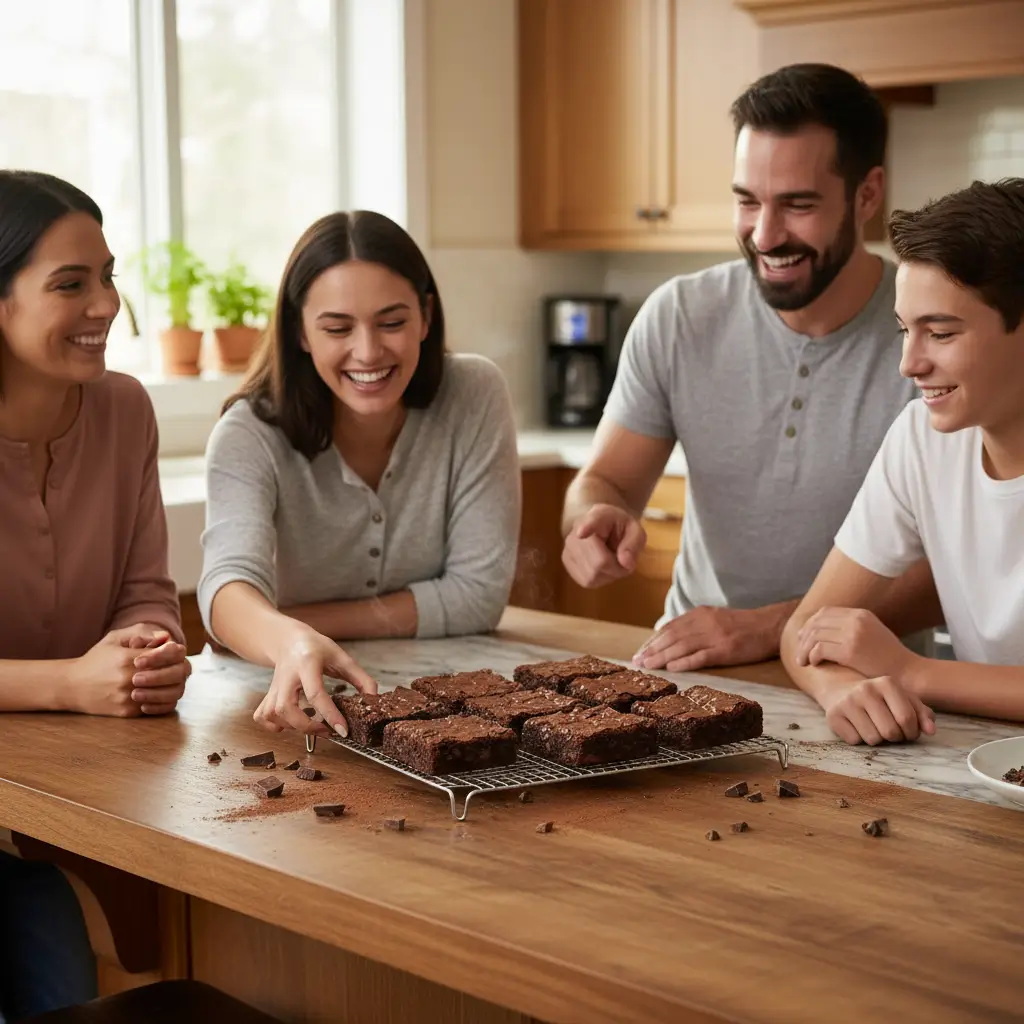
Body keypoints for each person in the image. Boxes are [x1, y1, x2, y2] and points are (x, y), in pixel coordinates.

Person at [561, 62, 939, 674]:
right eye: (747, 201)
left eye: (798, 204)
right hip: (695, 665)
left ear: (868, 194)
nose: (765, 235)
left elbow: (951, 569)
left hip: (868, 681)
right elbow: (606, 482)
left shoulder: (933, 335)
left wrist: (769, 627)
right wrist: (592, 519)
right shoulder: (679, 316)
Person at [199, 210, 521, 739]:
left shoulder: (475, 393)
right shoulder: (248, 432)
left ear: (425, 316)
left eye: (392, 322)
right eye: (337, 328)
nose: (368, 351)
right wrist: (290, 641)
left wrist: (303, 621)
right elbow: (226, 591)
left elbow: (477, 596)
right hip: (286, 707)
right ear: (300, 332)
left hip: (453, 702)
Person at [0, 170, 189, 1019]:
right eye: (69, 284)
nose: (106, 304)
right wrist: (73, 684)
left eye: (107, 276)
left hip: (48, 824)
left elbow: (147, 591)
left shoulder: (124, 412)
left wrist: (146, 651)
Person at [781, 178, 1024, 745]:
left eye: (939, 333)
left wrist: (912, 671)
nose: (909, 364)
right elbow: (805, 629)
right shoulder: (922, 438)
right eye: (904, 331)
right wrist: (838, 688)